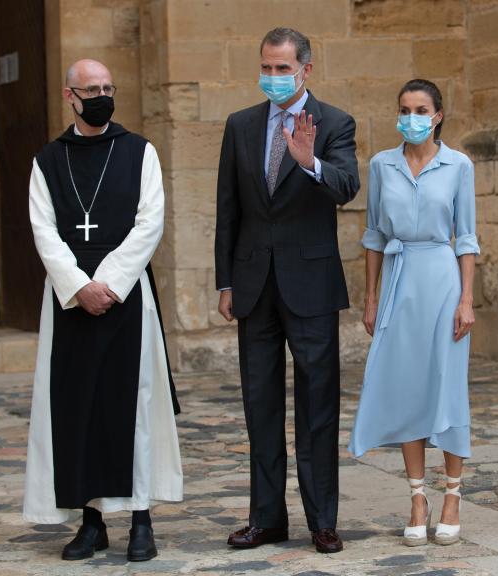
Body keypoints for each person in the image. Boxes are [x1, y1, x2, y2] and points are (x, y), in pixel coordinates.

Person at [22, 59, 182, 562]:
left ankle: (140, 519)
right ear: (71, 95)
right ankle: (90, 523)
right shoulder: (48, 161)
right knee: (77, 408)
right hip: (70, 302)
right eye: (92, 89)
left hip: (127, 296)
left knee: (131, 405)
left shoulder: (140, 152)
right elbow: (43, 230)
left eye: (109, 87)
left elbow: (150, 221)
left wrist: (108, 283)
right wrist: (78, 286)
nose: (102, 95)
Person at [214, 27, 360, 554]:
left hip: (311, 285)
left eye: (283, 69)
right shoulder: (241, 125)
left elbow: (346, 186)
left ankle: (322, 519)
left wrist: (308, 161)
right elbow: (227, 209)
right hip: (254, 285)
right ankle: (267, 519)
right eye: (267, 68)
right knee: (261, 405)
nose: (273, 78)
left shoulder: (335, 123)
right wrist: (226, 280)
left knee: (318, 404)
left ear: (306, 70)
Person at [348, 79, 479, 547]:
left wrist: (466, 299)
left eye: (421, 109)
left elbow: (466, 238)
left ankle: (452, 496)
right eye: (404, 109)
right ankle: (417, 497)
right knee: (406, 388)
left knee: (447, 387)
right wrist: (371, 296)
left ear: (438, 114)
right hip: (400, 286)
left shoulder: (458, 165)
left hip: (442, 282)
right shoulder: (382, 164)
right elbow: (374, 237)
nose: (411, 117)